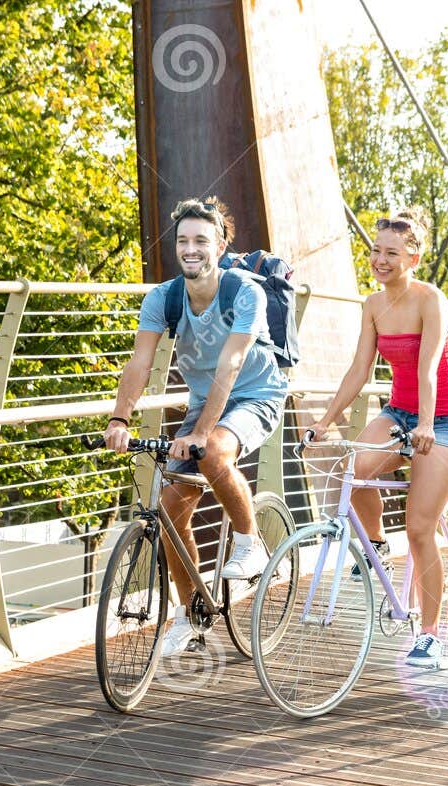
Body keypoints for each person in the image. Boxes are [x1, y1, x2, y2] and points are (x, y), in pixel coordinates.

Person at [105, 196, 290, 657]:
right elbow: (139, 363)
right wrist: (119, 418)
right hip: (205, 402)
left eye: (201, 241)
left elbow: (230, 366)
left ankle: (251, 545)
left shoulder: (245, 292)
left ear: (220, 244)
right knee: (169, 513)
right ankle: (192, 614)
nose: (191, 249)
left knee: (214, 453)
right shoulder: (162, 297)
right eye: (183, 240)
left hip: (255, 394)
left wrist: (202, 435)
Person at [306, 208, 448, 669]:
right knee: (352, 470)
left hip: (444, 417)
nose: (380, 260)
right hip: (399, 410)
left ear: (413, 257)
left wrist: (425, 424)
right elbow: (360, 370)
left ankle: (431, 634)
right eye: (376, 251)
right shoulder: (373, 305)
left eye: (391, 253)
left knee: (419, 528)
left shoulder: (430, 299)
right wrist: (325, 421)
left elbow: (428, 366)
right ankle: (376, 543)